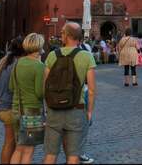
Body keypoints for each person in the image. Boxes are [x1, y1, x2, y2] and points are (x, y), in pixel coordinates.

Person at [43, 22, 96, 165]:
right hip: (77, 110)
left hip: (54, 110)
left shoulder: (52, 55)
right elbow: (91, 90)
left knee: (50, 155)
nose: (61, 36)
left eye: (62, 33)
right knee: (73, 156)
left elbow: (45, 86)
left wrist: (47, 108)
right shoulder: (86, 56)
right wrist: (89, 111)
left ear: (67, 36)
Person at [9, 33, 45, 164]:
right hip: (32, 113)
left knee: (18, 148)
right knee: (28, 151)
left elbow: (11, 86)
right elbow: (39, 93)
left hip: (16, 109)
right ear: (39, 47)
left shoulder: (17, 63)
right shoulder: (39, 66)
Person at [0, 36, 25, 164]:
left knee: (11, 142)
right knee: (10, 142)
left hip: (0, 106)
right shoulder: (17, 64)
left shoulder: (6, 61)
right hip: (9, 107)